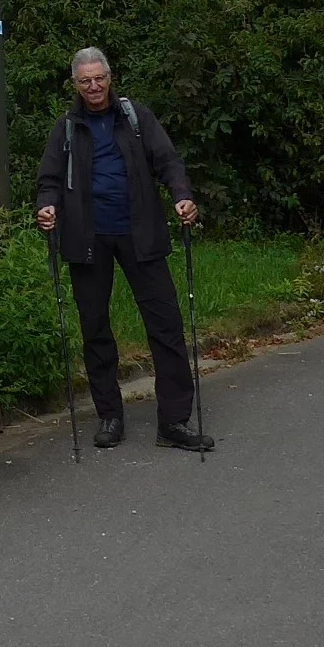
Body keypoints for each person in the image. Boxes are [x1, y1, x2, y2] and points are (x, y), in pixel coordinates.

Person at [35, 47, 212, 453]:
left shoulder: (135, 118)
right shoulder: (66, 127)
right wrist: (47, 207)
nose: (94, 86)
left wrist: (182, 196)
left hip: (141, 233)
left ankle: (174, 421)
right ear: (75, 85)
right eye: (85, 81)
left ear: (110, 78)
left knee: (165, 326)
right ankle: (110, 416)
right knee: (96, 329)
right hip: (88, 239)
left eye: (100, 78)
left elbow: (168, 162)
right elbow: (48, 179)